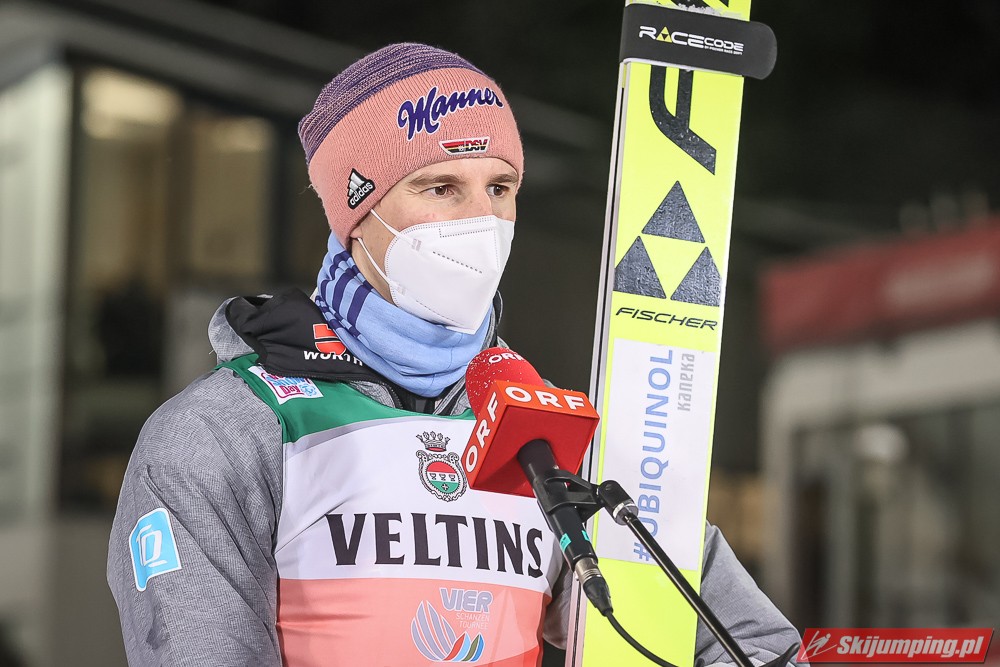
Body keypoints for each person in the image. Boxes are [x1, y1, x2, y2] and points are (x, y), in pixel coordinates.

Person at [107, 43, 801, 666]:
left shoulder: (549, 436)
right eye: (441, 187)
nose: (482, 222)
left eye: (500, 188)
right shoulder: (226, 432)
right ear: (357, 211)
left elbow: (757, 647)